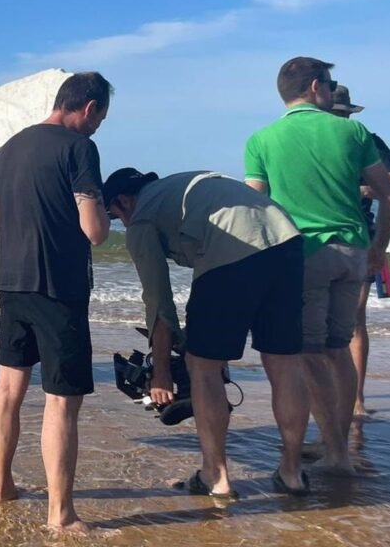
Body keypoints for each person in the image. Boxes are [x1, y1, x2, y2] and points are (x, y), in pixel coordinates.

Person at [0, 72, 112, 533]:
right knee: (62, 402)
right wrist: (103, 216)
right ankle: (60, 515)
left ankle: (2, 485)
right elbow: (94, 231)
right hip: (59, 289)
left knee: (8, 389)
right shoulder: (78, 148)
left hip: (13, 285)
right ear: (87, 108)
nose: (98, 126)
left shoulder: (5, 151)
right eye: (100, 117)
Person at [105, 168, 310, 496]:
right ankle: (292, 473)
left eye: (114, 216)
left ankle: (216, 476)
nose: (120, 223)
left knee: (203, 366)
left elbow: (159, 304)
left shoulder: (141, 217)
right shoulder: (177, 186)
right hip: (286, 239)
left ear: (124, 201)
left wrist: (160, 373)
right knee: (284, 363)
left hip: (231, 248)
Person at [245, 57, 390, 474]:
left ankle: (335, 452)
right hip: (352, 250)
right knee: (339, 348)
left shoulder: (262, 140)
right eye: (329, 83)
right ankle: (339, 450)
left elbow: (255, 208)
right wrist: (378, 246)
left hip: (302, 253)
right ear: (316, 87)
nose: (332, 89)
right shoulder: (353, 131)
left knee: (310, 353)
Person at [329, 85, 390, 418]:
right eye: (335, 113)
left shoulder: (366, 139)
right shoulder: (314, 143)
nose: (340, 119)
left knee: (354, 321)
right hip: (313, 241)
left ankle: (355, 399)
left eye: (344, 114)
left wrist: (380, 244)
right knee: (314, 326)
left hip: (361, 238)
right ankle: (328, 402)